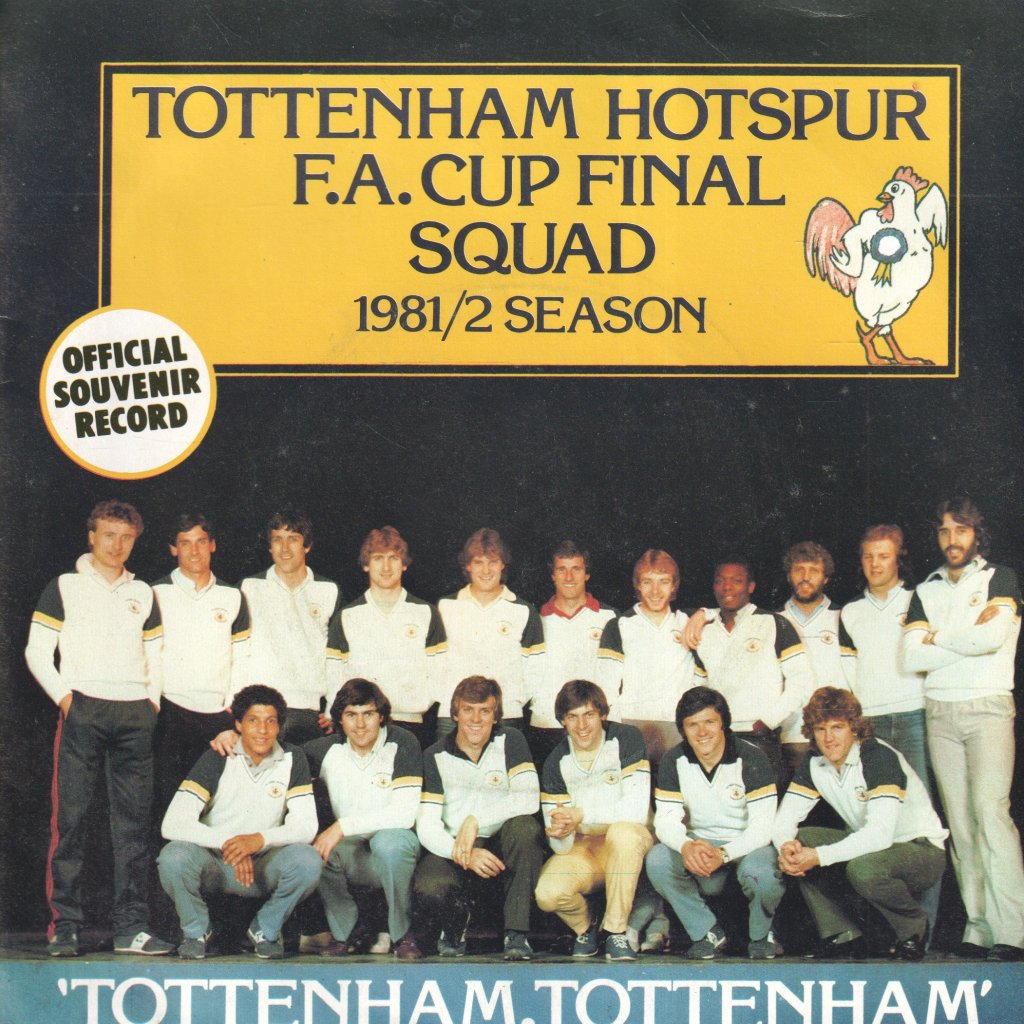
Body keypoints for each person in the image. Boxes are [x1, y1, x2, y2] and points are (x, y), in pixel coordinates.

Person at [25, 499, 172, 957]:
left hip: (134, 714)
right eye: (109, 535)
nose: (117, 544)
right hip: (83, 709)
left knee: (133, 828)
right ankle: (65, 926)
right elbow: (36, 652)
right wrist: (68, 700)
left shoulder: (143, 591)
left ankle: (131, 928)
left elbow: (156, 654)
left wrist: (150, 703)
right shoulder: (65, 586)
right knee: (70, 822)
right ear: (92, 537)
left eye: (126, 537)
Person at [902, 497, 1024, 961]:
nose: (952, 539)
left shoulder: (999, 577)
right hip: (940, 711)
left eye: (961, 530)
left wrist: (937, 637)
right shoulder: (925, 589)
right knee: (962, 825)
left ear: (977, 534)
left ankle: (1013, 931)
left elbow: (993, 638)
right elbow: (912, 656)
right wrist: (964, 641)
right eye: (944, 531)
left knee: (991, 814)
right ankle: (979, 927)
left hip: (988, 707)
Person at [773, 687, 947, 960]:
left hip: (920, 850)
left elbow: (879, 835)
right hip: (875, 849)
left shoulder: (878, 757)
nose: (828, 738)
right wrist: (786, 847)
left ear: (854, 728)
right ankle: (843, 934)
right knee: (801, 840)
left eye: (837, 727)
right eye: (820, 729)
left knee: (863, 868)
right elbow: (785, 820)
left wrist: (818, 856)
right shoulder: (814, 761)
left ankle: (913, 928)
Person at [158, 685, 321, 960]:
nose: (262, 730)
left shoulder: (293, 758)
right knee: (173, 856)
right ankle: (196, 932)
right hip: (215, 864)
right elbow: (172, 823)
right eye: (253, 720)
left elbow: (307, 826)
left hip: (262, 866)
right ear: (238, 724)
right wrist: (231, 843)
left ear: (280, 726)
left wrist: (258, 840)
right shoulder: (219, 755)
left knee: (308, 860)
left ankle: (265, 930)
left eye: (271, 721)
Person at [414, 675, 546, 960]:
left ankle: (516, 934)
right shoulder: (434, 755)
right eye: (468, 710)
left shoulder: (511, 740)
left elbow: (528, 798)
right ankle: (454, 928)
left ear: (496, 716)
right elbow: (426, 826)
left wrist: (476, 820)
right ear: (455, 714)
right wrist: (466, 853)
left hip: (501, 847)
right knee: (430, 885)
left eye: (485, 711)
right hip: (456, 849)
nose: (476, 719)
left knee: (525, 828)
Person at [646, 686, 784, 960]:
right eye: (692, 725)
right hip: (701, 845)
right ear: (683, 730)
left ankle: (762, 935)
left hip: (747, 847)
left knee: (763, 873)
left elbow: (763, 828)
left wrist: (724, 853)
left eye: (709, 722)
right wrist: (686, 846)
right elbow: (666, 820)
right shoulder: (674, 760)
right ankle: (707, 932)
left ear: (723, 723)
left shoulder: (751, 756)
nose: (702, 732)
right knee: (658, 859)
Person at [304, 678, 423, 960]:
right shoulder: (324, 749)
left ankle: (403, 935)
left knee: (389, 844)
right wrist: (232, 738)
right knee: (318, 850)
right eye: (351, 715)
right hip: (352, 849)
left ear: (381, 716)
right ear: (339, 720)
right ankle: (344, 932)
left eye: (368, 714)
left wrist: (341, 826)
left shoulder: (402, 742)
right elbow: (276, 752)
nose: (360, 725)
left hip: (394, 843)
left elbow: (405, 814)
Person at [534, 680, 652, 962]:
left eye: (589, 715)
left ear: (603, 714)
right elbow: (561, 846)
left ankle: (615, 931)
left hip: (630, 841)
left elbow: (636, 811)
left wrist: (581, 814)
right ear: (562, 721)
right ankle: (587, 928)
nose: (582, 726)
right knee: (548, 893)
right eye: (572, 717)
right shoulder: (556, 761)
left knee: (623, 833)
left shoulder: (625, 738)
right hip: (587, 848)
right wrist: (561, 832)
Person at [152, 512, 250, 813]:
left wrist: (233, 709)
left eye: (201, 542)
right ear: (173, 548)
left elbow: (242, 658)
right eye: (185, 543)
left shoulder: (233, 596)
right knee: (168, 806)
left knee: (217, 806)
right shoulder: (154, 593)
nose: (194, 551)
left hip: (218, 717)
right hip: (170, 715)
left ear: (212, 545)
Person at [687, 559, 813, 784]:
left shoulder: (774, 623)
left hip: (761, 736)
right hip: (719, 739)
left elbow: (801, 681)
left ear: (751, 586)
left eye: (737, 581)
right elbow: (700, 688)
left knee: (765, 801)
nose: (727, 587)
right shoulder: (704, 632)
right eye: (720, 581)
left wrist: (768, 722)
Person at [326, 526, 446, 751]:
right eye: (378, 558)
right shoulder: (347, 615)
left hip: (412, 723)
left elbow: (439, 672)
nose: (386, 567)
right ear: (366, 564)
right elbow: (334, 674)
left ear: (404, 564)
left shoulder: (425, 612)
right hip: (362, 725)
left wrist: (418, 702)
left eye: (393, 558)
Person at [840, 525, 931, 799]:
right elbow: (848, 671)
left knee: (920, 798)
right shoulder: (850, 611)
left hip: (914, 715)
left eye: (883, 556)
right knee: (881, 798)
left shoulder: (919, 599)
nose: (875, 564)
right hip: (871, 720)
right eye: (868, 556)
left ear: (898, 559)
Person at [237, 510, 341, 745]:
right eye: (277, 540)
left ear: (307, 546)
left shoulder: (329, 590)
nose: (284, 548)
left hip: (308, 711)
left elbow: (337, 657)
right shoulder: (249, 587)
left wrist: (333, 707)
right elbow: (235, 650)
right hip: (260, 708)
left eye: (293, 539)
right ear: (269, 546)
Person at [435, 529, 544, 737]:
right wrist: (448, 698)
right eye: (478, 562)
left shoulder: (523, 610)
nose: (486, 570)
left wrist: (512, 701)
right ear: (468, 565)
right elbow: (433, 663)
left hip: (506, 715)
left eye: (493, 562)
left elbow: (535, 669)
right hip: (453, 715)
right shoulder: (445, 606)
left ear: (503, 564)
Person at [598, 549, 695, 765]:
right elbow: (606, 687)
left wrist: (704, 614)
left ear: (674, 585)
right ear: (637, 585)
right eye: (647, 582)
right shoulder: (619, 625)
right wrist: (616, 732)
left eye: (663, 581)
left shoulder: (687, 622)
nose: (655, 591)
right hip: (633, 724)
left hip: (677, 725)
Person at [531, 542, 616, 766]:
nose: (569, 577)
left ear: (587, 573)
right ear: (553, 575)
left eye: (576, 569)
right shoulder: (536, 619)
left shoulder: (609, 617)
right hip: (546, 724)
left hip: (593, 725)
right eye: (562, 569)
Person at [778, 542, 855, 775]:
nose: (805, 577)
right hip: (792, 737)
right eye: (799, 570)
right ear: (789, 575)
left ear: (826, 578)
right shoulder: (773, 621)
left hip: (837, 738)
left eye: (814, 570)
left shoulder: (844, 617)